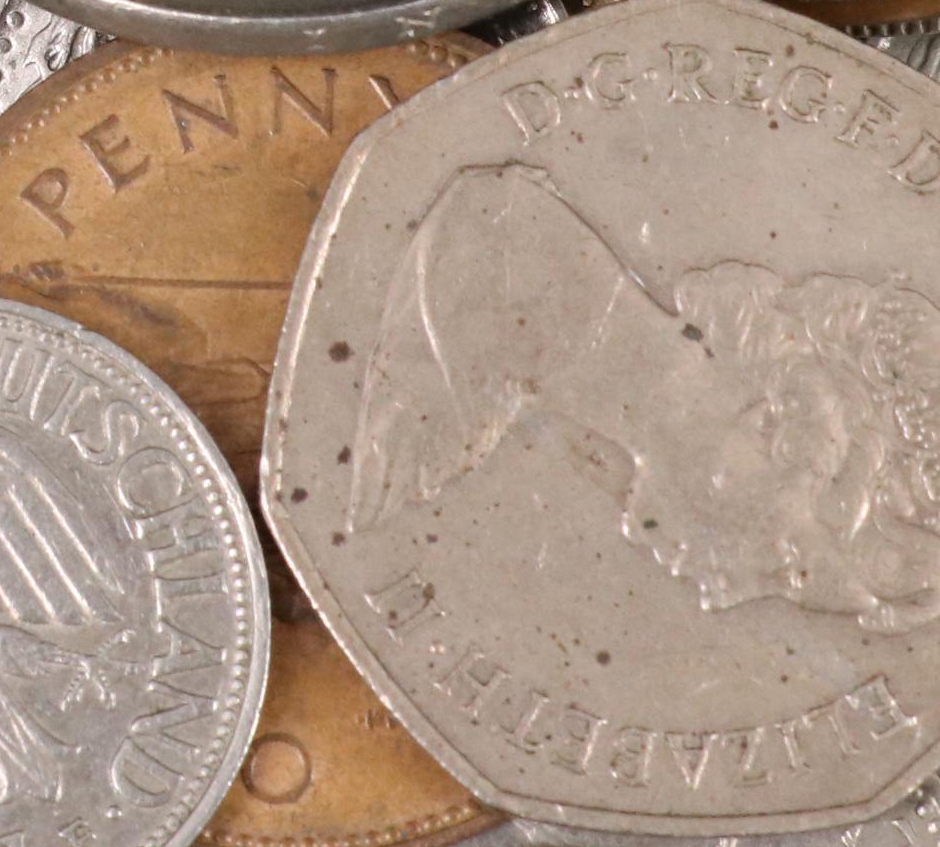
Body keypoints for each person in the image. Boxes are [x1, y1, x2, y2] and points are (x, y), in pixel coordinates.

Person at [348, 160, 940, 633]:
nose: (731, 594)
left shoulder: (513, 340)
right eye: (784, 562)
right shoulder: (494, 250)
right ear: (781, 422)